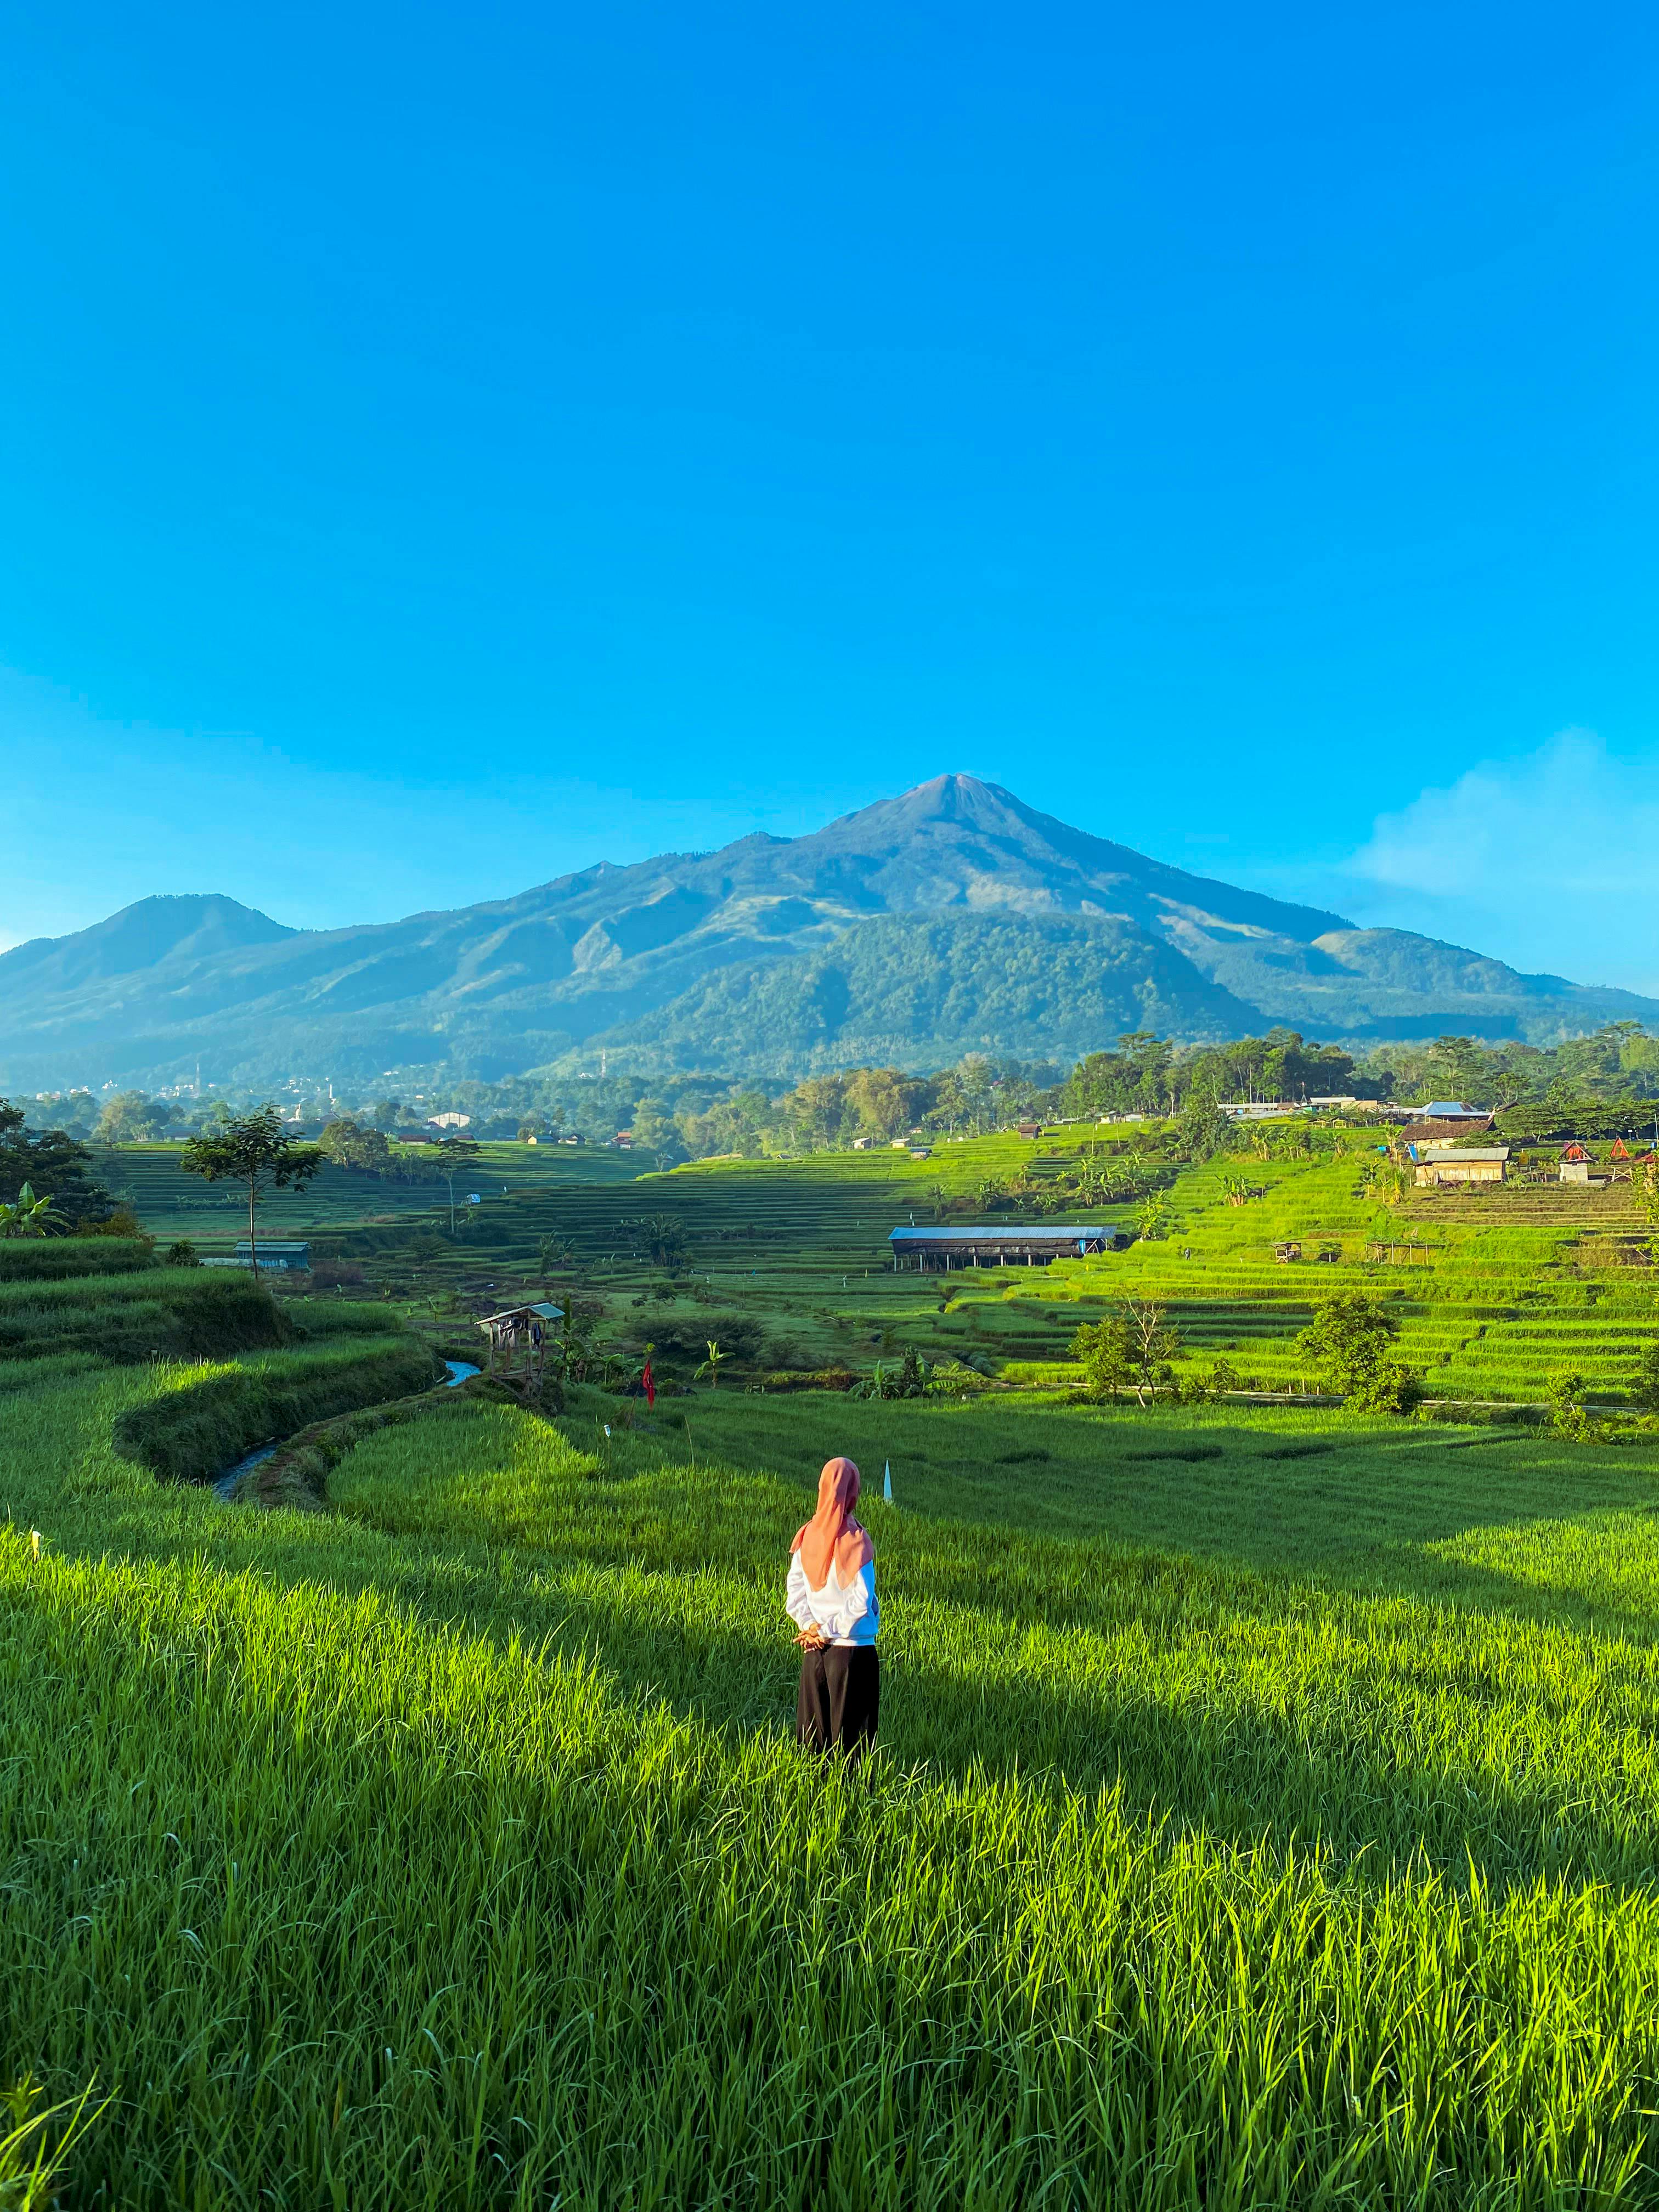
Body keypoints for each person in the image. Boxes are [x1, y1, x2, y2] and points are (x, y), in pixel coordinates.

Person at [786, 1455, 880, 1757]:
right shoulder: (856, 1541)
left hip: (813, 1649)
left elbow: (795, 1593)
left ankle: (812, 1801)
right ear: (854, 1492)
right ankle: (851, 1804)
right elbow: (861, 1600)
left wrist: (810, 1628)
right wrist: (828, 1631)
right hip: (852, 1651)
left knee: (813, 1744)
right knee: (853, 1749)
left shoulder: (806, 1537)